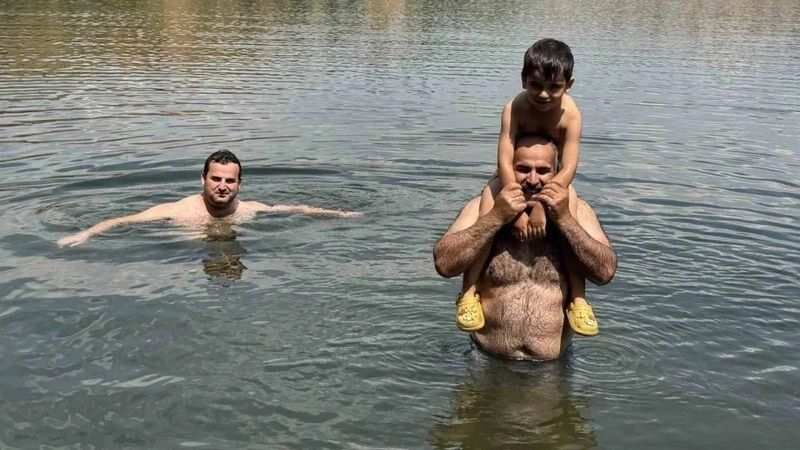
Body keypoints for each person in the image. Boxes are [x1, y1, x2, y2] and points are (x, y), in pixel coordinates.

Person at [457, 38, 597, 337]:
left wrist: (545, 206)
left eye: (554, 87)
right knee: (489, 206)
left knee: (569, 214)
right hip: (512, 175)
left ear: (569, 85)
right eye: (535, 86)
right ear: (523, 80)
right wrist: (515, 209)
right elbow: (504, 157)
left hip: (554, 179)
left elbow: (569, 166)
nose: (544, 94)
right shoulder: (515, 108)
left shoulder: (571, 114)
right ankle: (468, 293)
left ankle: (578, 299)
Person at [434, 135, 616, 361]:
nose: (532, 180)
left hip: (552, 368)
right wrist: (496, 217)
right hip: (485, 361)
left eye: (543, 171)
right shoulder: (484, 207)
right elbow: (444, 264)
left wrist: (565, 220)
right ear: (507, 170)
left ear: (557, 173)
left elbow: (605, 272)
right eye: (523, 169)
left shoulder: (577, 210)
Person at [57, 150, 360, 247]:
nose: (222, 186)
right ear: (203, 179)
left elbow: (297, 208)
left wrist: (341, 215)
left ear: (239, 184)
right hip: (188, 263)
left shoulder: (250, 210)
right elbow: (121, 221)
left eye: (230, 180)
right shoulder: (178, 211)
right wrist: (85, 234)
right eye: (216, 179)